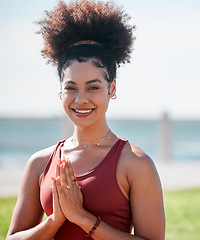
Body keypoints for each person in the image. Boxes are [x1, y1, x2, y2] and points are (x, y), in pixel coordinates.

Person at [7, 1, 165, 239]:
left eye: (93, 87)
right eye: (71, 88)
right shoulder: (40, 163)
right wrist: (55, 221)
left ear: (111, 88)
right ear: (60, 90)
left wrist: (83, 219)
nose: (80, 99)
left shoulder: (136, 163)